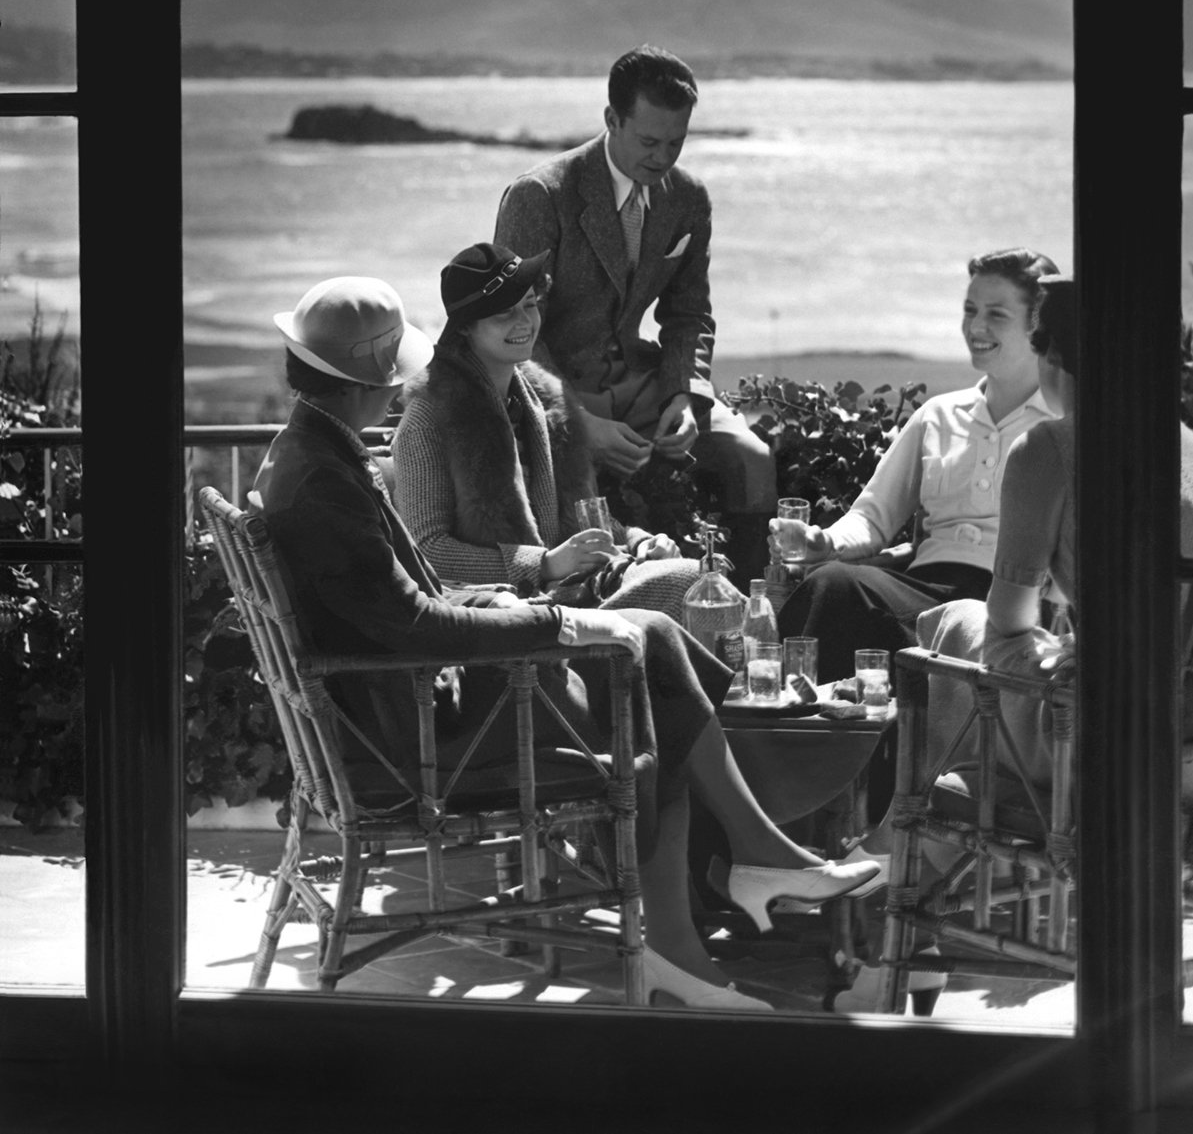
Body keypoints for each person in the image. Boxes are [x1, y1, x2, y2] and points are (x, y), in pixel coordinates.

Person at [254, 275, 879, 1011]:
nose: (396, 390)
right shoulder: (327, 483)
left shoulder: (306, 455)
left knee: (649, 635)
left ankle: (743, 871)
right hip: (427, 731)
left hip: (415, 701)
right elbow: (414, 624)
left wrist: (524, 599)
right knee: (641, 668)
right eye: (389, 376)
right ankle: (718, 902)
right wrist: (552, 618)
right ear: (365, 383)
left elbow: (403, 605)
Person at [829, 275, 1193, 1013]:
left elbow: (1008, 627)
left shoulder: (1049, 447)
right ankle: (902, 896)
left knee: (954, 632)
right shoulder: (1190, 446)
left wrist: (1049, 640)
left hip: (1127, 757)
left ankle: (895, 877)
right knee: (984, 675)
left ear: (1046, 356)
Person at [492, 45, 776, 583]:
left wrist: (684, 398)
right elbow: (514, 332)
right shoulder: (539, 197)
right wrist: (577, 423)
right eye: (648, 141)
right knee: (581, 494)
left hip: (641, 382)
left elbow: (690, 313)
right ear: (611, 121)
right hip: (551, 388)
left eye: (676, 142)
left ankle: (743, 602)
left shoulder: (688, 198)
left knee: (751, 457)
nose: (662, 158)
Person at [771, 247, 1061, 684]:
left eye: (996, 314)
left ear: (1037, 324)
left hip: (1011, 604)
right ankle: (801, 724)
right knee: (832, 581)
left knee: (839, 590)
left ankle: (791, 727)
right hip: (923, 594)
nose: (975, 327)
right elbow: (872, 517)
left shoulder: (1060, 427)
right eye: (969, 310)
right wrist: (822, 542)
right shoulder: (939, 415)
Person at [393, 241, 700, 622]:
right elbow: (427, 551)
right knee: (687, 584)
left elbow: (584, 523)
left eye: (529, 304)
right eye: (503, 313)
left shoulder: (547, 404)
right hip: (507, 615)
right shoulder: (428, 419)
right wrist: (544, 564)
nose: (524, 322)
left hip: (573, 591)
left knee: (697, 580)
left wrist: (640, 542)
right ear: (466, 328)